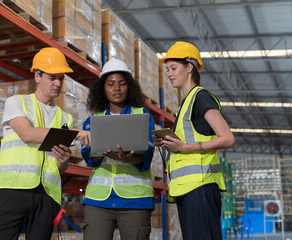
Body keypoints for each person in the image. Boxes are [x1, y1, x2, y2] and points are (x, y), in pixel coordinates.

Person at [0, 47, 91, 240]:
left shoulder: (64, 118)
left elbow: (60, 167)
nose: (57, 83)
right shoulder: (17, 102)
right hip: (13, 189)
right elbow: (27, 134)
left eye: (60, 78)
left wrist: (63, 160)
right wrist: (76, 134)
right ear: (37, 76)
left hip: (47, 194)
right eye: (52, 77)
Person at [154, 41, 235, 240]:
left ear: (189, 67)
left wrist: (187, 147)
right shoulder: (185, 103)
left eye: (173, 68)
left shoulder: (200, 97)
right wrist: (168, 143)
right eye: (167, 69)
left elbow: (228, 138)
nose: (169, 73)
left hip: (201, 187)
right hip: (188, 189)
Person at [80, 59, 155, 240]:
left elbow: (146, 157)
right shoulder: (92, 121)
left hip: (135, 201)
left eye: (122, 84)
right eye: (111, 84)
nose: (116, 89)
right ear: (102, 88)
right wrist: (97, 155)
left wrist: (126, 158)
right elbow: (90, 160)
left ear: (129, 87)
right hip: (98, 201)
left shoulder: (142, 116)